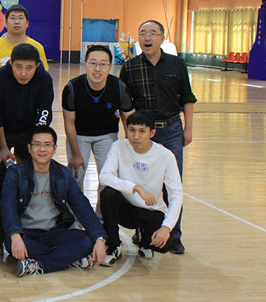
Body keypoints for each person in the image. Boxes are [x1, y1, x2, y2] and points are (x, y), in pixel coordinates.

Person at [120, 19, 196, 255]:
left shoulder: (176, 64)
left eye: (153, 33)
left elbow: (187, 98)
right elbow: (125, 105)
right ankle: (143, 230)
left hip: (172, 130)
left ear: (162, 38)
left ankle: (174, 234)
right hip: (143, 135)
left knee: (172, 184)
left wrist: (188, 129)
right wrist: (131, 134)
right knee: (143, 183)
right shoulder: (130, 67)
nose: (147, 37)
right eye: (143, 33)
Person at [1, 126, 108, 276]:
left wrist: (99, 238)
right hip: (25, 233)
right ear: (29, 148)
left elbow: (81, 205)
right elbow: (8, 206)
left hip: (54, 233)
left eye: (47, 145)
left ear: (55, 148)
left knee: (87, 240)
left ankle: (38, 265)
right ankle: (67, 258)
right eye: (37, 144)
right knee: (10, 242)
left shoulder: (63, 174)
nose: (42, 149)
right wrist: (15, 235)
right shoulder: (15, 173)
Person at [0, 42, 54, 242]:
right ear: (10, 63)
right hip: (2, 130)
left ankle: (26, 219)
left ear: (38, 66)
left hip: (29, 131)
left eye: (29, 68)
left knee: (29, 172)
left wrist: (31, 147)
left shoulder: (45, 80)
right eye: (18, 67)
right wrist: (3, 147)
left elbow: (44, 115)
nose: (23, 73)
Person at [98, 112, 183, 264]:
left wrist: (167, 227)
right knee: (107, 194)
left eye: (142, 131)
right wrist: (136, 188)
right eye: (132, 130)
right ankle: (114, 244)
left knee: (164, 245)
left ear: (152, 133)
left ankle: (144, 240)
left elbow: (176, 194)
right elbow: (104, 176)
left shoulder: (166, 156)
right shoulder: (119, 146)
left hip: (151, 211)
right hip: (126, 209)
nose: (136, 136)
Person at [62, 45, 134, 191]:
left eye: (103, 64)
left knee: (107, 178)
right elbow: (69, 123)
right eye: (93, 63)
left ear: (110, 67)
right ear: (85, 65)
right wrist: (75, 154)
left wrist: (130, 147)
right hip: (79, 135)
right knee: (76, 176)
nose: (97, 69)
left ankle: (103, 207)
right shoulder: (72, 88)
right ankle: (76, 206)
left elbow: (130, 121)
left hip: (107, 135)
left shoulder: (119, 88)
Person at [0, 4, 49, 80]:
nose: (17, 22)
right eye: (13, 18)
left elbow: (43, 76)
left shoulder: (37, 47)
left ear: (27, 23)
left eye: (21, 18)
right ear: (5, 23)